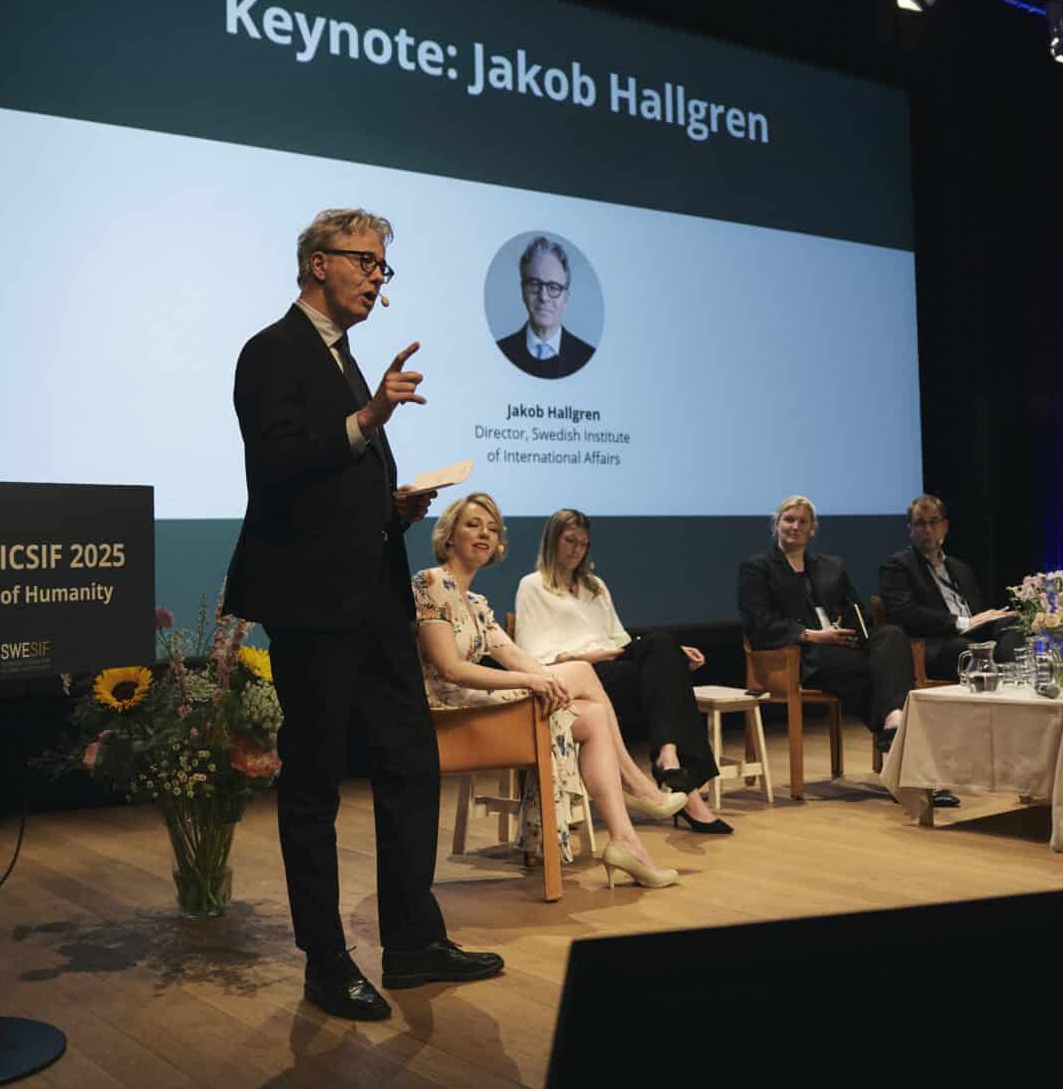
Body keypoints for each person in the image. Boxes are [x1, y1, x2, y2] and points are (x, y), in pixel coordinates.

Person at [224, 207, 502, 1022]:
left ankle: (412, 943)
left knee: (410, 760)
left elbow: (335, 483)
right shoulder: (271, 351)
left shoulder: (345, 359)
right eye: (366, 262)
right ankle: (324, 961)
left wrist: (392, 508)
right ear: (318, 263)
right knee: (314, 781)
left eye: (384, 267)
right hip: (311, 601)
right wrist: (370, 416)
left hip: (375, 592)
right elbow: (279, 465)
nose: (378, 279)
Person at [415, 494, 685, 888]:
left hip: (476, 706)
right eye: (473, 525)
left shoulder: (475, 602)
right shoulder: (430, 582)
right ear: (449, 535)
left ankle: (626, 843)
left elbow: (517, 658)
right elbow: (450, 669)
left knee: (592, 715)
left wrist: (547, 680)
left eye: (492, 529)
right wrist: (534, 681)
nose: (484, 534)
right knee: (579, 672)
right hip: (448, 713)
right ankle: (637, 784)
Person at [513, 510, 729, 835]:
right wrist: (590, 655)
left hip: (615, 665)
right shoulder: (533, 586)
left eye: (583, 544)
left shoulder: (595, 586)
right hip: (578, 676)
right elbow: (533, 653)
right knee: (665, 668)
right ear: (552, 540)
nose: (576, 550)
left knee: (663, 644)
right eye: (569, 541)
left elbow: (620, 638)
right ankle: (689, 795)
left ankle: (669, 755)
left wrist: (670, 655)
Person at [738, 495, 916, 760]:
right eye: (789, 520)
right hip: (802, 654)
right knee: (878, 670)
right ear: (777, 524)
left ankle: (894, 721)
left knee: (892, 634)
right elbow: (759, 623)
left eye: (802, 521)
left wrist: (856, 633)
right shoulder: (757, 568)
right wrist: (812, 636)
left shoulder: (831, 566)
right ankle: (895, 729)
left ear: (812, 529)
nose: (795, 526)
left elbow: (855, 610)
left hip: (843, 645)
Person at [876, 495, 1020, 680]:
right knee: (973, 649)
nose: (928, 529)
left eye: (934, 522)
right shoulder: (897, 566)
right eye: (920, 523)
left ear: (945, 526)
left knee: (1014, 624)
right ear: (910, 529)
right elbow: (904, 613)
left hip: (974, 633)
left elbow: (976, 612)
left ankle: (1010, 680)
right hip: (938, 642)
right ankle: (1005, 677)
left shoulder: (961, 569)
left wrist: (990, 618)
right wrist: (963, 622)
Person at [495, 236, 596, 379]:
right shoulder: (500, 352)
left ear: (566, 297)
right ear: (523, 290)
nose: (543, 297)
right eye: (534, 284)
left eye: (553, 287)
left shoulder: (587, 357)